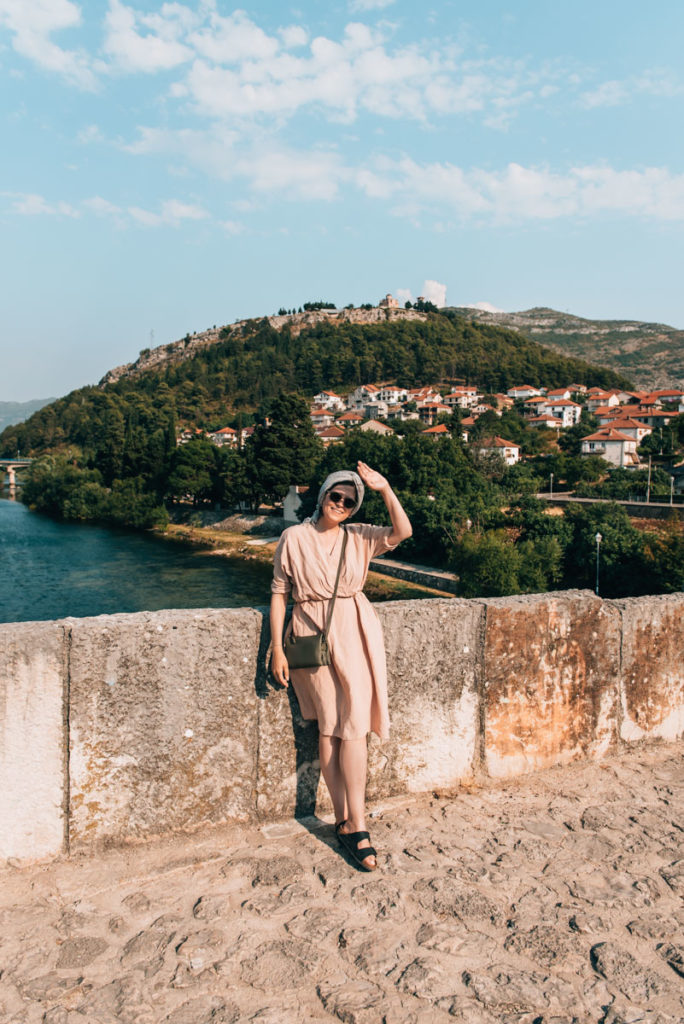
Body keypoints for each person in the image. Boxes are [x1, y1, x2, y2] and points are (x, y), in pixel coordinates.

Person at [270, 461, 412, 870]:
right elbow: (279, 592)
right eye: (336, 497)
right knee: (330, 727)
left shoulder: (360, 537)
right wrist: (278, 649)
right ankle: (343, 819)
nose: (341, 505)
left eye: (350, 503)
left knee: (354, 730)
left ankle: (359, 821)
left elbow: (402, 532)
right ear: (323, 496)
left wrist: (385, 489)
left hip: (354, 630)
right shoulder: (293, 537)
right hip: (310, 635)